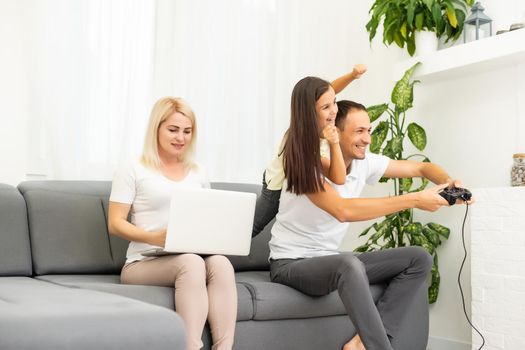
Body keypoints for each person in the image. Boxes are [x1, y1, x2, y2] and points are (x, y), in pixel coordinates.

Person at [269, 100, 470, 350]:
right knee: (348, 264)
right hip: (291, 264)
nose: (367, 139)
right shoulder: (308, 168)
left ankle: (362, 344)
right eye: (359, 131)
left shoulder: (364, 162)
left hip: (328, 260)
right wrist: (416, 199)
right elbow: (343, 210)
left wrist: (448, 182)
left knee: (418, 258)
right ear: (335, 132)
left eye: (369, 131)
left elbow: (421, 167)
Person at [108, 97, 236, 350]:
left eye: (187, 131)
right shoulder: (133, 168)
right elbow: (115, 223)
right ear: (157, 129)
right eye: (173, 130)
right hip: (143, 262)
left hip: (190, 254)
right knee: (191, 263)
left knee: (221, 263)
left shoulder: (198, 171)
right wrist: (154, 237)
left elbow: (208, 217)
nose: (181, 137)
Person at [252, 64, 367, 237]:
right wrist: (334, 142)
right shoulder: (304, 143)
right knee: (252, 227)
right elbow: (339, 177)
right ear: (309, 111)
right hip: (274, 185)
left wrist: (352, 75)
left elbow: (330, 91)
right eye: (326, 107)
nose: (334, 110)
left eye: (334, 103)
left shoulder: (317, 122)